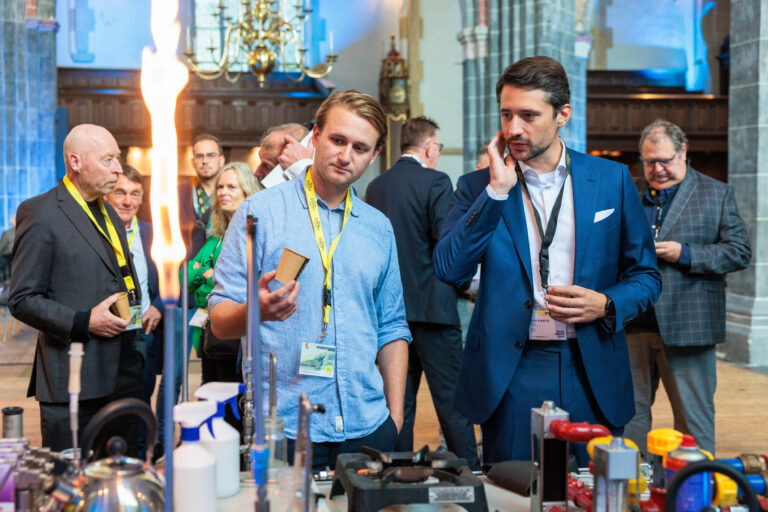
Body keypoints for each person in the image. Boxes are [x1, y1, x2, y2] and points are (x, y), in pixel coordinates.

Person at [433, 56, 662, 465]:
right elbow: (450, 269)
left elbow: (646, 275)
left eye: (528, 115)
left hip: (592, 363)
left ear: (562, 115)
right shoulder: (477, 187)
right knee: (516, 488)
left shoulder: (610, 179)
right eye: (506, 114)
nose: (513, 128)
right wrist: (495, 193)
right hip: (512, 368)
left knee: (596, 487)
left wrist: (606, 304)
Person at [209, 90, 411, 469]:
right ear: (315, 136)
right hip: (286, 427)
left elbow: (392, 326)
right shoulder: (259, 213)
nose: (346, 156)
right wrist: (256, 312)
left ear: (374, 155)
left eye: (360, 148)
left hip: (367, 425)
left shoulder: (378, 228)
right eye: (337, 140)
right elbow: (219, 319)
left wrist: (394, 419)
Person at [9, 124, 144, 454]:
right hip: (75, 376)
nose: (118, 168)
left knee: (118, 473)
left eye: (118, 159)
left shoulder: (108, 211)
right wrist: (84, 321)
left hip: (124, 370)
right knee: (73, 478)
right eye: (108, 159)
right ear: (75, 161)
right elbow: (22, 299)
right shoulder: (40, 212)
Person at [623, 119, 751, 457]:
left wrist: (686, 254)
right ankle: (632, 485)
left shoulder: (716, 193)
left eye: (665, 160)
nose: (657, 169)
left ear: (683, 151)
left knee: (693, 426)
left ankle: (693, 486)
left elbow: (739, 252)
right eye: (649, 161)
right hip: (631, 325)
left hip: (689, 325)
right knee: (628, 422)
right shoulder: (627, 192)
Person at [366, 116, 479, 468]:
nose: (438, 153)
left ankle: (398, 472)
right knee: (451, 401)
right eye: (438, 147)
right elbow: (446, 245)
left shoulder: (376, 187)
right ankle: (469, 473)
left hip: (390, 314)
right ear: (429, 147)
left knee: (399, 402)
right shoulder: (436, 181)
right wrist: (467, 285)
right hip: (434, 310)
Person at [103, 165, 164, 454]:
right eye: (121, 193)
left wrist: (159, 306)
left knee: (141, 399)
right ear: (107, 196)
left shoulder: (153, 233)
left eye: (135, 194)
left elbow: (175, 274)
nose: (128, 201)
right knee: (108, 402)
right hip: (106, 330)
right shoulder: (96, 232)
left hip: (144, 331)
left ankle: (140, 457)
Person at [186, 161, 260, 384]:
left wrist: (208, 277)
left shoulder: (252, 235)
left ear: (247, 192)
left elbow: (242, 286)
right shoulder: (215, 237)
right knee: (210, 396)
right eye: (220, 187)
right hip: (208, 338)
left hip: (236, 340)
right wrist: (204, 274)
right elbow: (184, 278)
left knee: (232, 400)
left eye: (231, 187)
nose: (223, 192)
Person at [180, 133, 226, 260]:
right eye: (199, 156)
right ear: (193, 162)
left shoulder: (232, 194)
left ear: (221, 160)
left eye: (211, 155)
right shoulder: (178, 194)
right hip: (189, 266)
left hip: (221, 265)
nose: (205, 161)